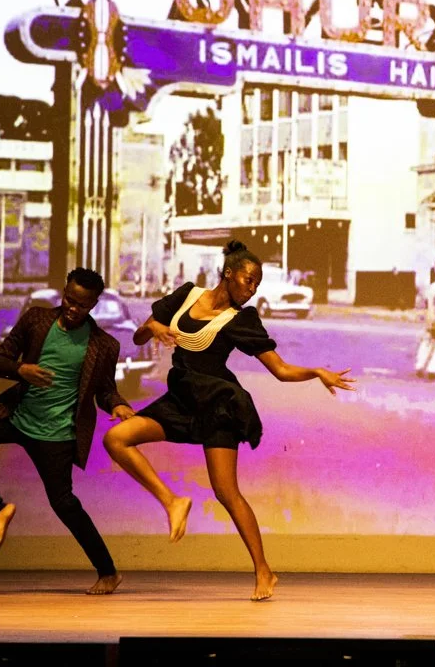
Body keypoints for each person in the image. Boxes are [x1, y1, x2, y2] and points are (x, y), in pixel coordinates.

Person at [102, 239, 356, 601]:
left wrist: (316, 371)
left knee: (226, 492)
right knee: (115, 439)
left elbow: (280, 370)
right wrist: (155, 329)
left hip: (220, 405)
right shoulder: (187, 295)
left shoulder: (240, 320)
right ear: (228, 273)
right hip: (181, 400)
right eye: (248, 280)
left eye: (257, 284)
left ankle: (264, 571)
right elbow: (141, 332)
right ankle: (173, 502)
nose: (251, 289)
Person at [0, 267, 131, 595]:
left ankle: (108, 573)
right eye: (68, 299)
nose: (71, 307)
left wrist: (117, 405)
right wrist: (20, 369)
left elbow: (105, 391)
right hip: (15, 417)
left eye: (81, 305)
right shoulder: (36, 320)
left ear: (93, 305)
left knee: (64, 504)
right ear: (64, 291)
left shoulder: (104, 345)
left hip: (56, 435)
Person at [415, 265, 435, 376]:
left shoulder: (431, 287)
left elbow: (424, 302)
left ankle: (419, 365)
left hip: (429, 317)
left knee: (427, 342)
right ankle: (433, 369)